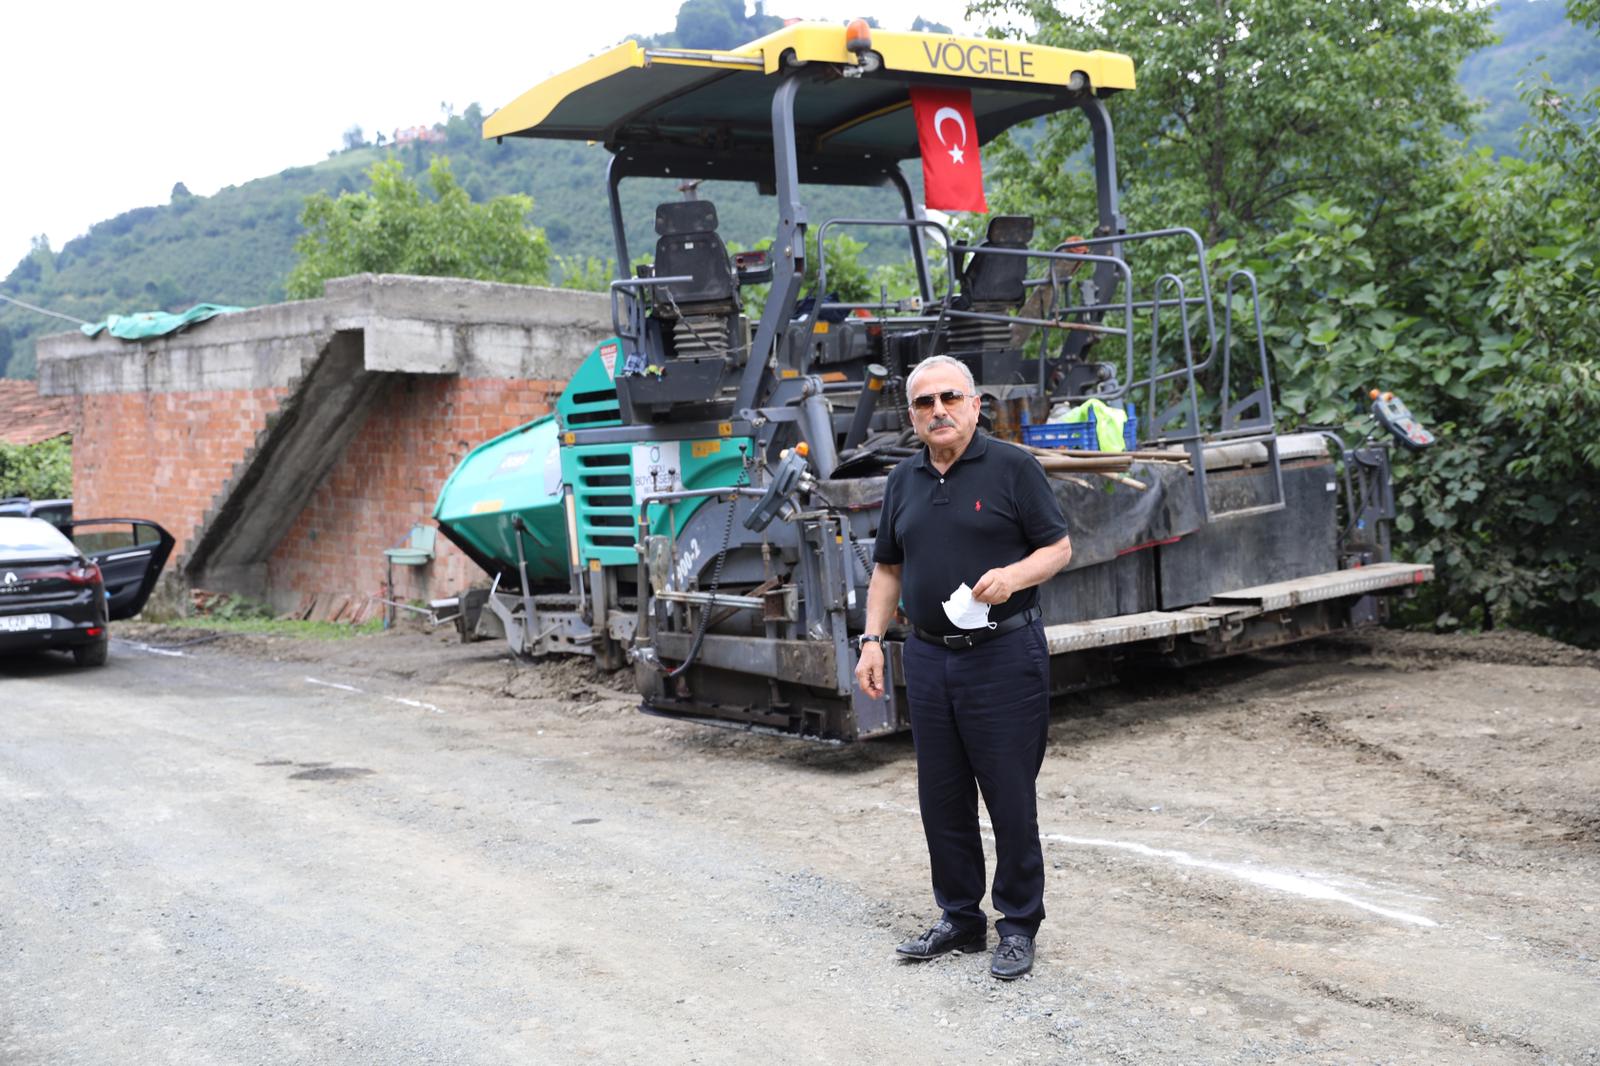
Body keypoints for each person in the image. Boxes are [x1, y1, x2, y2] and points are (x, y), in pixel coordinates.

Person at [855, 354, 1072, 980]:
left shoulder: (1012, 468)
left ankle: (1018, 924)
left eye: (950, 397)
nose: (938, 410)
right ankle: (960, 919)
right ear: (913, 416)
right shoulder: (904, 480)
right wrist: (872, 640)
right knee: (941, 796)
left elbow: (1057, 547)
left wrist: (1013, 576)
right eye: (924, 403)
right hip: (927, 656)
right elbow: (888, 569)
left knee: (1008, 794)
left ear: (976, 405)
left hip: (1004, 655)